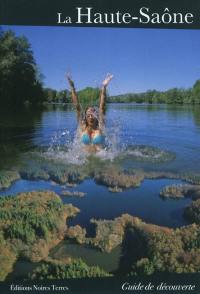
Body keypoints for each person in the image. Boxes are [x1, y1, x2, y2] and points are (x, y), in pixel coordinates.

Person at [67, 74, 113, 152]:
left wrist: (104, 87)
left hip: (101, 158)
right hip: (84, 160)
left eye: (93, 112)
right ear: (86, 116)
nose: (91, 115)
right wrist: (72, 88)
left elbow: (102, 106)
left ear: (96, 115)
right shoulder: (82, 126)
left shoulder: (100, 126)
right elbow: (77, 107)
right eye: (88, 113)